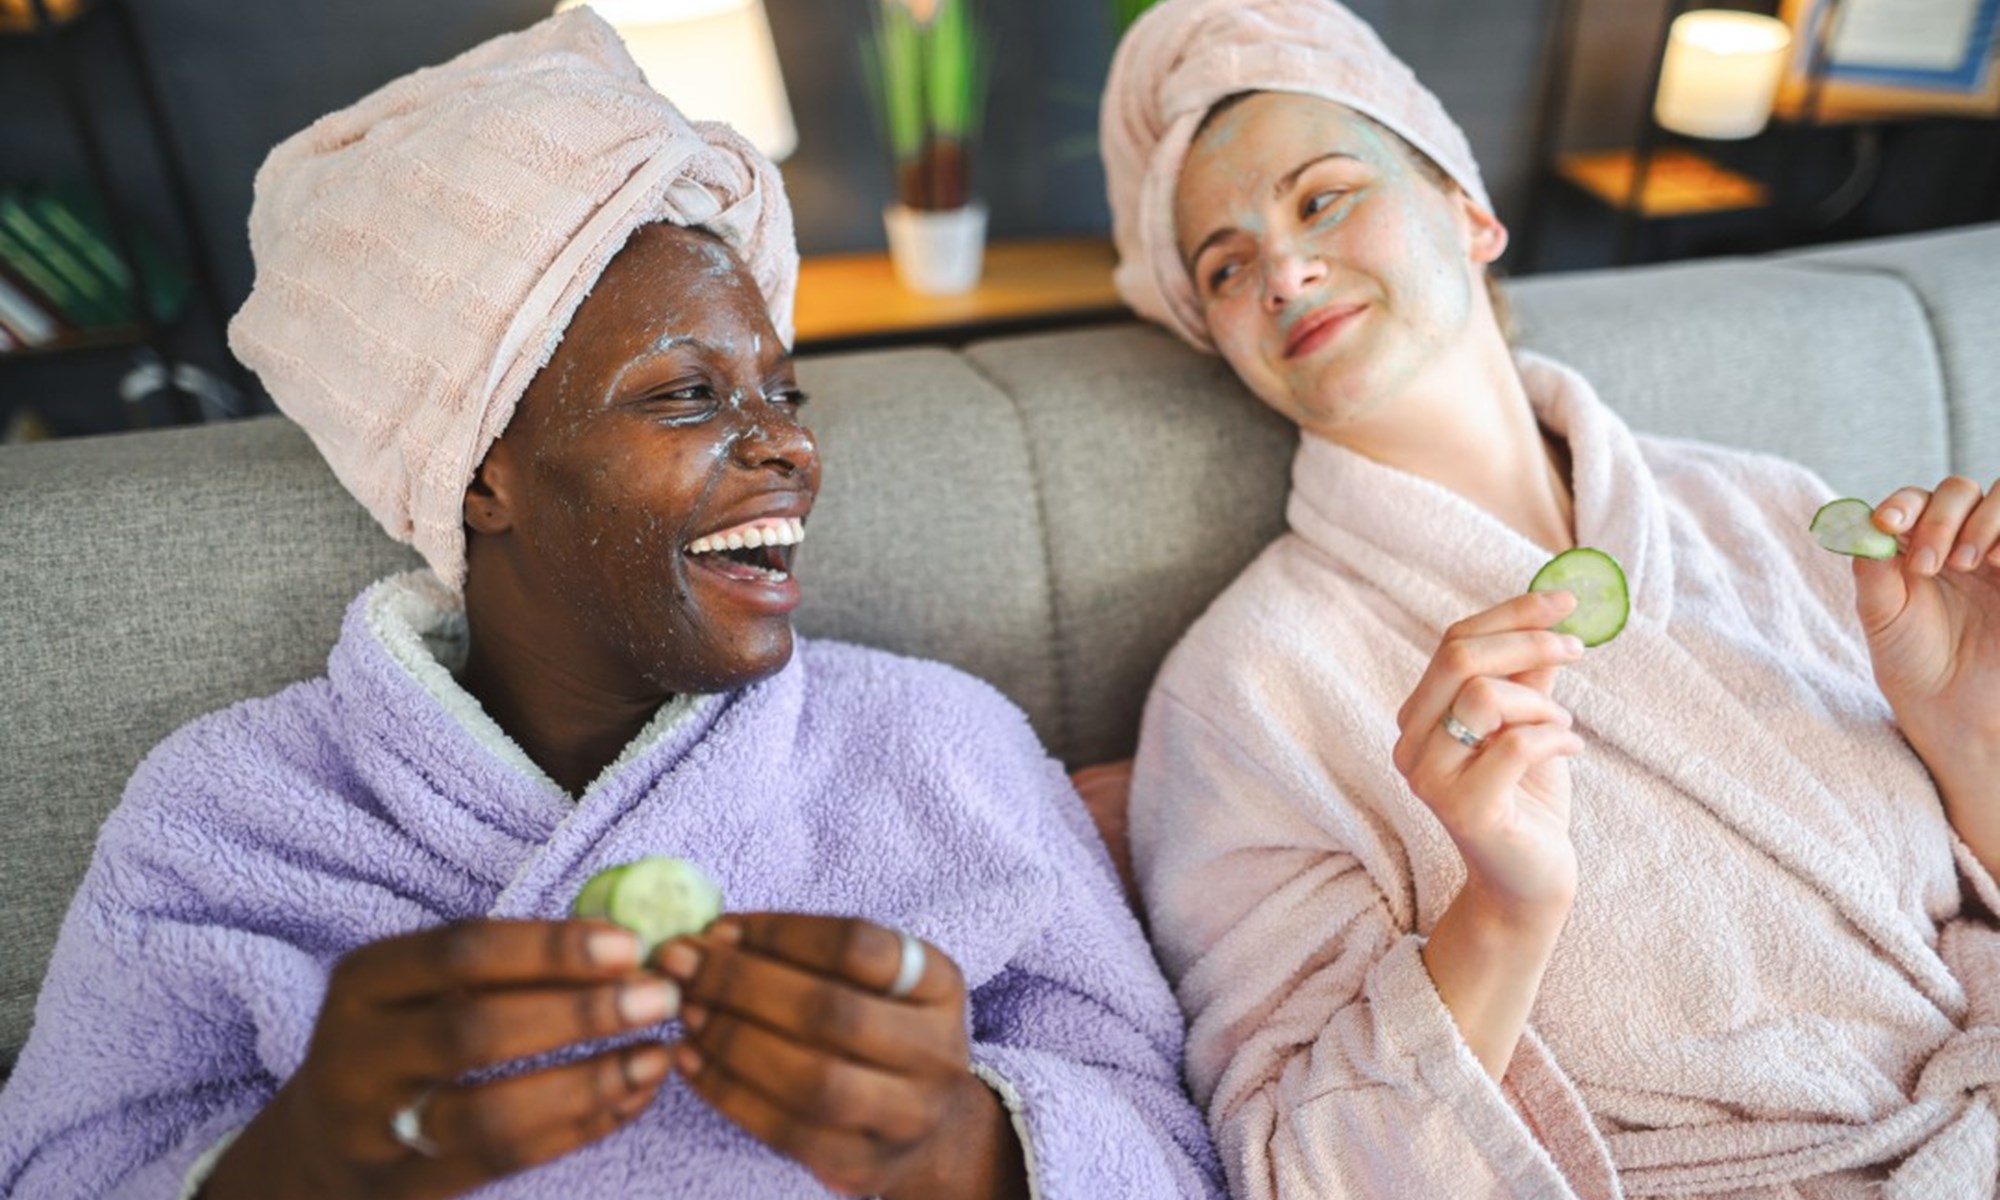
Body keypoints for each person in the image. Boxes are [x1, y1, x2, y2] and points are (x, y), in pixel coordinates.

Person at [0, 12, 1222, 1200]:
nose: (787, 448)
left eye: (783, 393)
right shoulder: (231, 817)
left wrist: (963, 1153)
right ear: (483, 472)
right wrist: (293, 1169)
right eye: (687, 395)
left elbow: (1178, 1151)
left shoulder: (943, 749)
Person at [1100, 0, 2000, 1196]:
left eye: (1320, 197)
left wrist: (1966, 732)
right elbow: (1302, 1169)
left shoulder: (1768, 513)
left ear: (1469, 214)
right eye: (1224, 264)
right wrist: (1500, 912)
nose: (1282, 268)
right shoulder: (1242, 689)